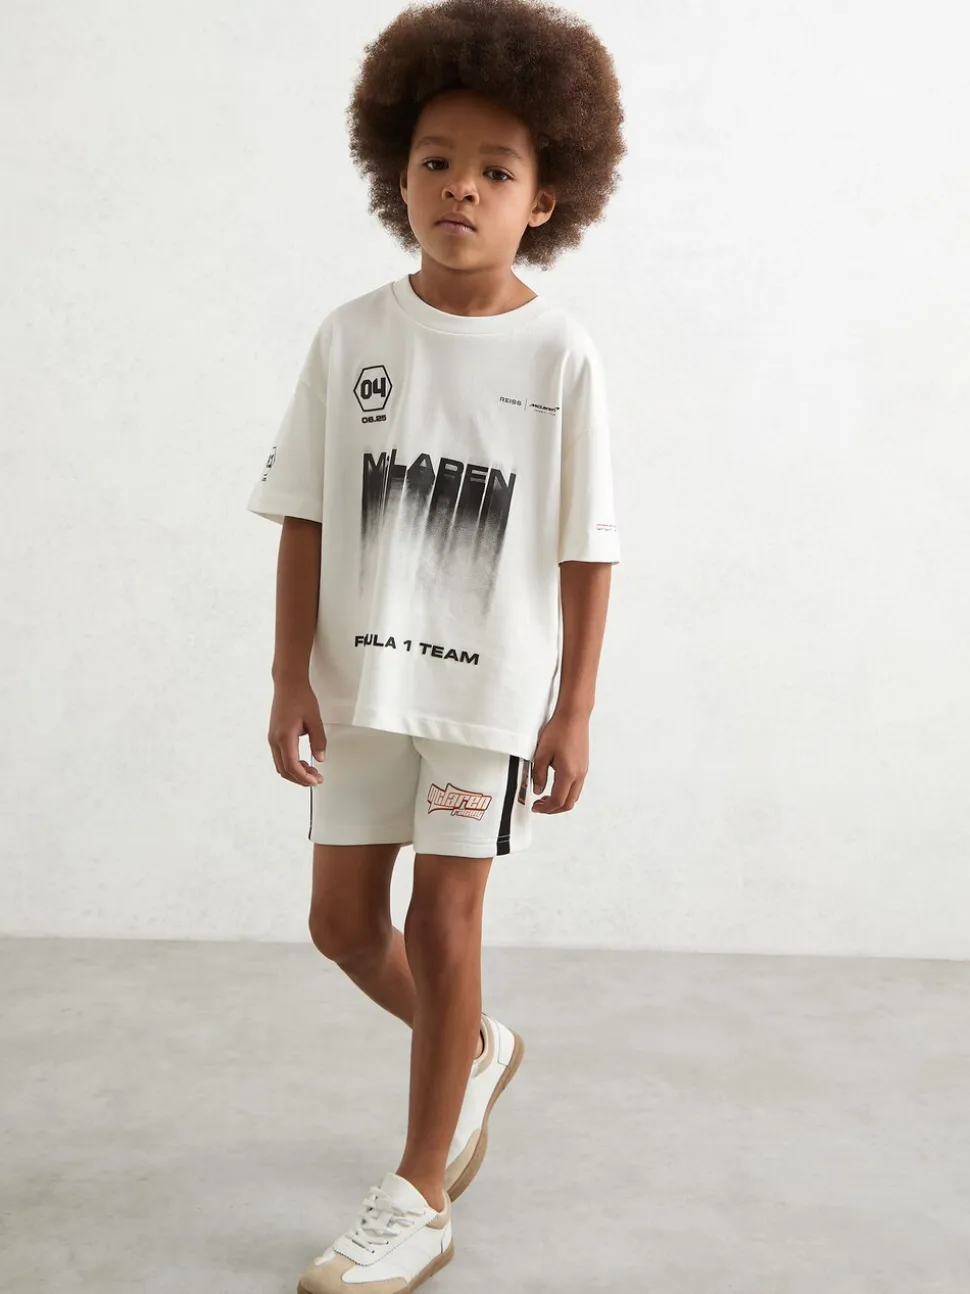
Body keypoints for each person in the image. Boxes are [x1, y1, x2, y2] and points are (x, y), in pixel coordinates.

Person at [246, 1, 625, 1288]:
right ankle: (472, 1045)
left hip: (485, 695)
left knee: (444, 918)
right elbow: (304, 513)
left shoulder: (559, 353)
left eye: (495, 170)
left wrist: (572, 708)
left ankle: (418, 1191)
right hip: (360, 685)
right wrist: (288, 671)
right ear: (395, 175)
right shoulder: (350, 335)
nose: (461, 186)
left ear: (544, 200)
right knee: (343, 924)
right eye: (436, 160)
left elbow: (587, 547)